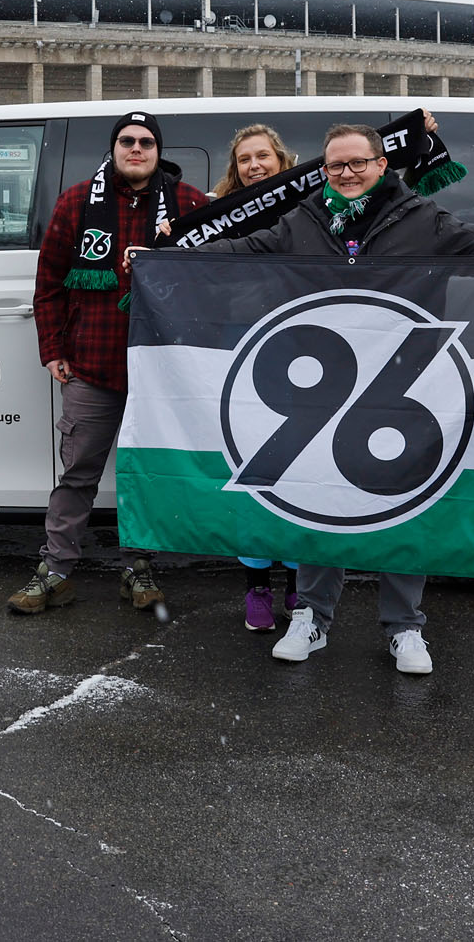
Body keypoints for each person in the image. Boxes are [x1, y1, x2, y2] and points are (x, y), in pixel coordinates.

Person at [193, 123, 474, 675]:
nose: (347, 174)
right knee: (322, 502)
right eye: (336, 166)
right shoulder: (305, 221)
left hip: (407, 385)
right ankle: (311, 616)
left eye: (358, 163)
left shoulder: (420, 219)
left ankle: (405, 626)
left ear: (382, 165)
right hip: (325, 387)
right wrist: (162, 257)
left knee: (403, 501)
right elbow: (242, 251)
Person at [8, 111, 208, 615]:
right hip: (92, 366)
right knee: (77, 474)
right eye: (126, 141)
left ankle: (138, 569)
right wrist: (53, 347)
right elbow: (49, 282)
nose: (135, 149)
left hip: (161, 374)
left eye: (145, 142)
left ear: (158, 151)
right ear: (114, 148)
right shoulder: (78, 201)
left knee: (143, 474)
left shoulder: (188, 204)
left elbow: (216, 275)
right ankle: (55, 571)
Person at [212, 122, 305, 631]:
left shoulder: (311, 205)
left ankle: (297, 584)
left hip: (299, 348)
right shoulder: (217, 214)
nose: (254, 166)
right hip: (239, 351)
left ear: (282, 159)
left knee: (296, 469)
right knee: (250, 470)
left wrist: (411, 136)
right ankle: (255, 586)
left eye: (263, 156)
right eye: (245, 158)